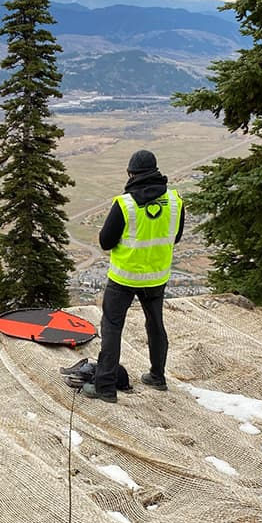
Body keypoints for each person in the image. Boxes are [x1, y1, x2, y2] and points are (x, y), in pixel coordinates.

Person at [82, 150, 184, 403]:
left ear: (131, 174)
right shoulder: (175, 201)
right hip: (156, 277)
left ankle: (105, 387)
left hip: (124, 278)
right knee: (155, 325)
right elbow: (176, 237)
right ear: (156, 171)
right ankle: (157, 377)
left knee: (112, 328)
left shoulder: (125, 204)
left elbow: (106, 242)